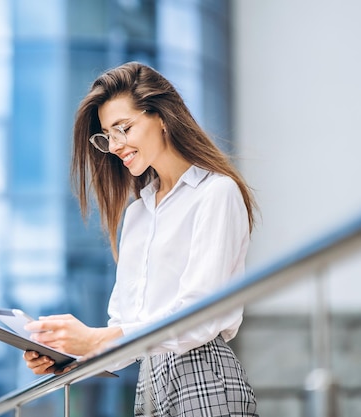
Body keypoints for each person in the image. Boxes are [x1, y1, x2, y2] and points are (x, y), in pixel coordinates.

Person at [22, 62, 259, 416]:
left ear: (162, 117)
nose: (115, 145)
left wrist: (96, 340)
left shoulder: (215, 193)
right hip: (150, 381)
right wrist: (71, 354)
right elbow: (126, 327)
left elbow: (201, 317)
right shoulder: (138, 213)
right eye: (108, 135)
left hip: (202, 373)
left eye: (124, 128)